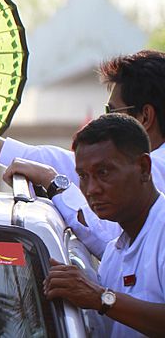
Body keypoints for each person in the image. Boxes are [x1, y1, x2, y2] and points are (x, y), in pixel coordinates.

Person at [0, 50, 165, 256]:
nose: (93, 189)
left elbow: (107, 240)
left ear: (145, 116)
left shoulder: (155, 171)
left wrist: (54, 183)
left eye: (112, 112)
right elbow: (60, 162)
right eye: (86, 177)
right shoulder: (148, 169)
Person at [42, 114, 165, 337]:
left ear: (144, 168)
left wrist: (101, 298)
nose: (91, 189)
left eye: (103, 172)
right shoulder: (113, 253)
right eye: (83, 176)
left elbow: (103, 300)